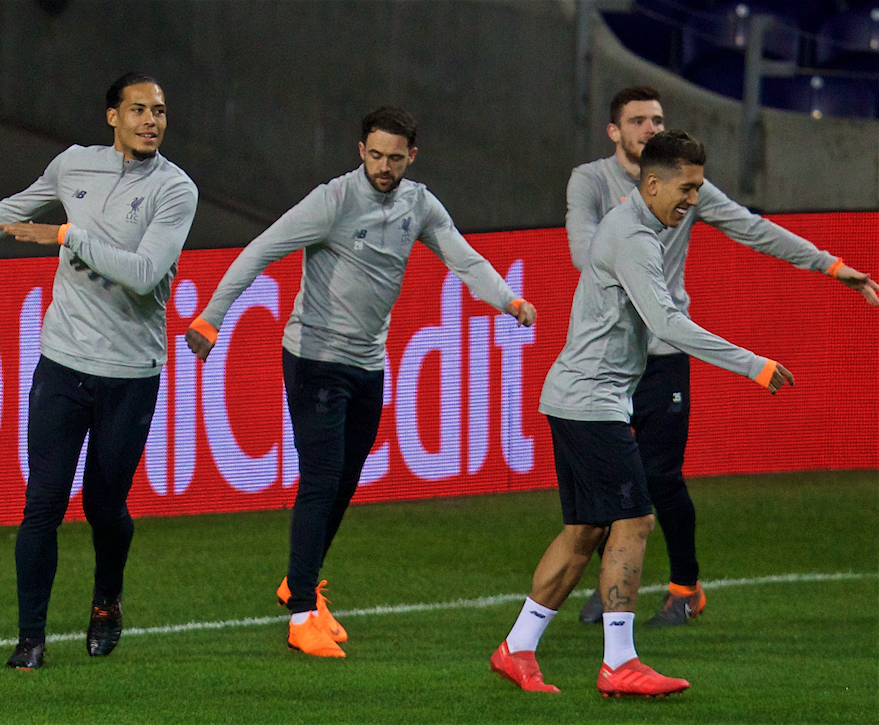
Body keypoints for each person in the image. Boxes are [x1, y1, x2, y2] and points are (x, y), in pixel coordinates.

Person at [184, 106, 536, 658]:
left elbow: (463, 260)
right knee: (321, 478)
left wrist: (507, 299)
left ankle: (300, 584)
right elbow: (261, 250)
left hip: (369, 366)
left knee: (345, 483)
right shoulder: (334, 200)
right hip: (315, 358)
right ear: (360, 150)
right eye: (376, 155)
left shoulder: (418, 204)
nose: (384, 166)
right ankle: (301, 615)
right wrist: (212, 316)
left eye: (396, 157)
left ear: (411, 157)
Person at [0, 73, 198, 669]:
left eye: (159, 111)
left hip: (130, 371)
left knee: (105, 506)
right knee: (43, 504)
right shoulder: (74, 167)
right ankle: (30, 639)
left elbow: (141, 274)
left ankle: (106, 599)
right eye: (138, 110)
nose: (151, 121)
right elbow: (11, 209)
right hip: (62, 362)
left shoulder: (176, 190)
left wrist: (66, 235)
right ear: (112, 116)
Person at [491, 130, 796, 698]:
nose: (693, 200)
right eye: (687, 188)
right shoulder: (633, 237)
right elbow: (667, 324)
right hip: (591, 402)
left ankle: (517, 647)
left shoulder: (643, 227)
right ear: (652, 183)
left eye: (699, 189)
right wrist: (751, 363)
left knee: (584, 530)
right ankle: (620, 662)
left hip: (579, 398)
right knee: (634, 520)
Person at [567, 86, 879, 626]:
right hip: (611, 358)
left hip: (665, 355)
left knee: (659, 477)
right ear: (614, 131)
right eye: (637, 120)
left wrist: (830, 265)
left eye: (657, 119)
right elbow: (581, 252)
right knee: (610, 480)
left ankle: (685, 586)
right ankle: (616, 584)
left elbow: (753, 229)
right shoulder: (592, 183)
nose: (649, 128)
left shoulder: (687, 185)